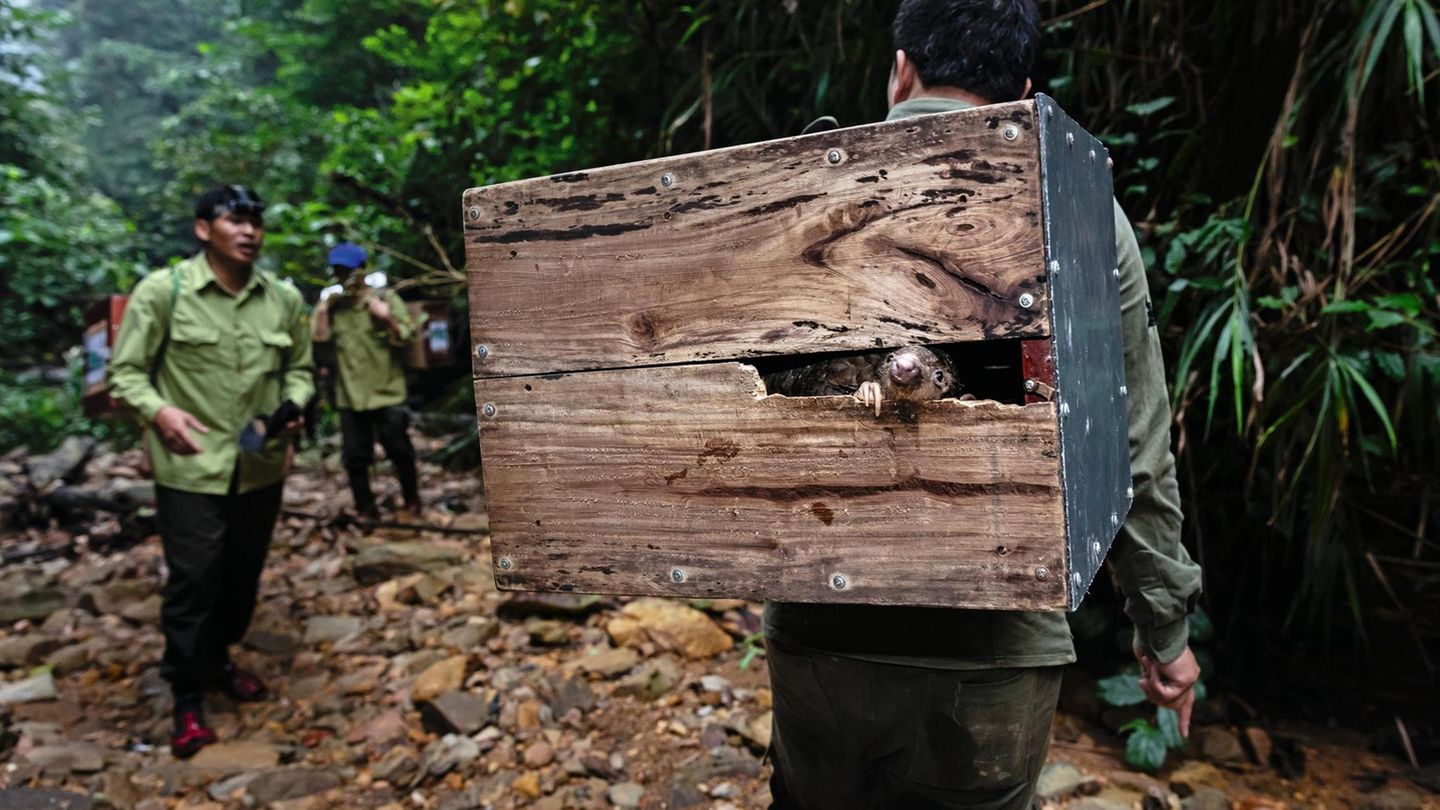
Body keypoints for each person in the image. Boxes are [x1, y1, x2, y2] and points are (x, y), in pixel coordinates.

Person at [761, 2, 1204, 807]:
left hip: (823, 628)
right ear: (1023, 92)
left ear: (901, 68)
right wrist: (1163, 628)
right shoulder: (1077, 210)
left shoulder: (808, 195)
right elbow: (1131, 447)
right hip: (995, 647)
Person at [108, 185, 313, 758]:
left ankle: (218, 656)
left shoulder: (284, 299)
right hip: (191, 469)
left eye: (256, 221)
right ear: (204, 230)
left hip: (259, 465)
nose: (249, 231)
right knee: (194, 579)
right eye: (235, 220)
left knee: (242, 577)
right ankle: (187, 694)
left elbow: (301, 370)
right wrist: (160, 411)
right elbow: (125, 374)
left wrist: (292, 406)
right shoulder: (163, 292)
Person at [310, 242, 421, 520]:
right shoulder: (333, 307)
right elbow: (318, 346)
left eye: (347, 270)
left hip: (388, 392)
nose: (343, 275)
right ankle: (366, 510)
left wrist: (387, 318)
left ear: (361, 270)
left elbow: (407, 336)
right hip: (350, 396)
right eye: (337, 270)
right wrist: (323, 311)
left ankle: (412, 501)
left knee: (400, 451)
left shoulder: (384, 298)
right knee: (355, 458)